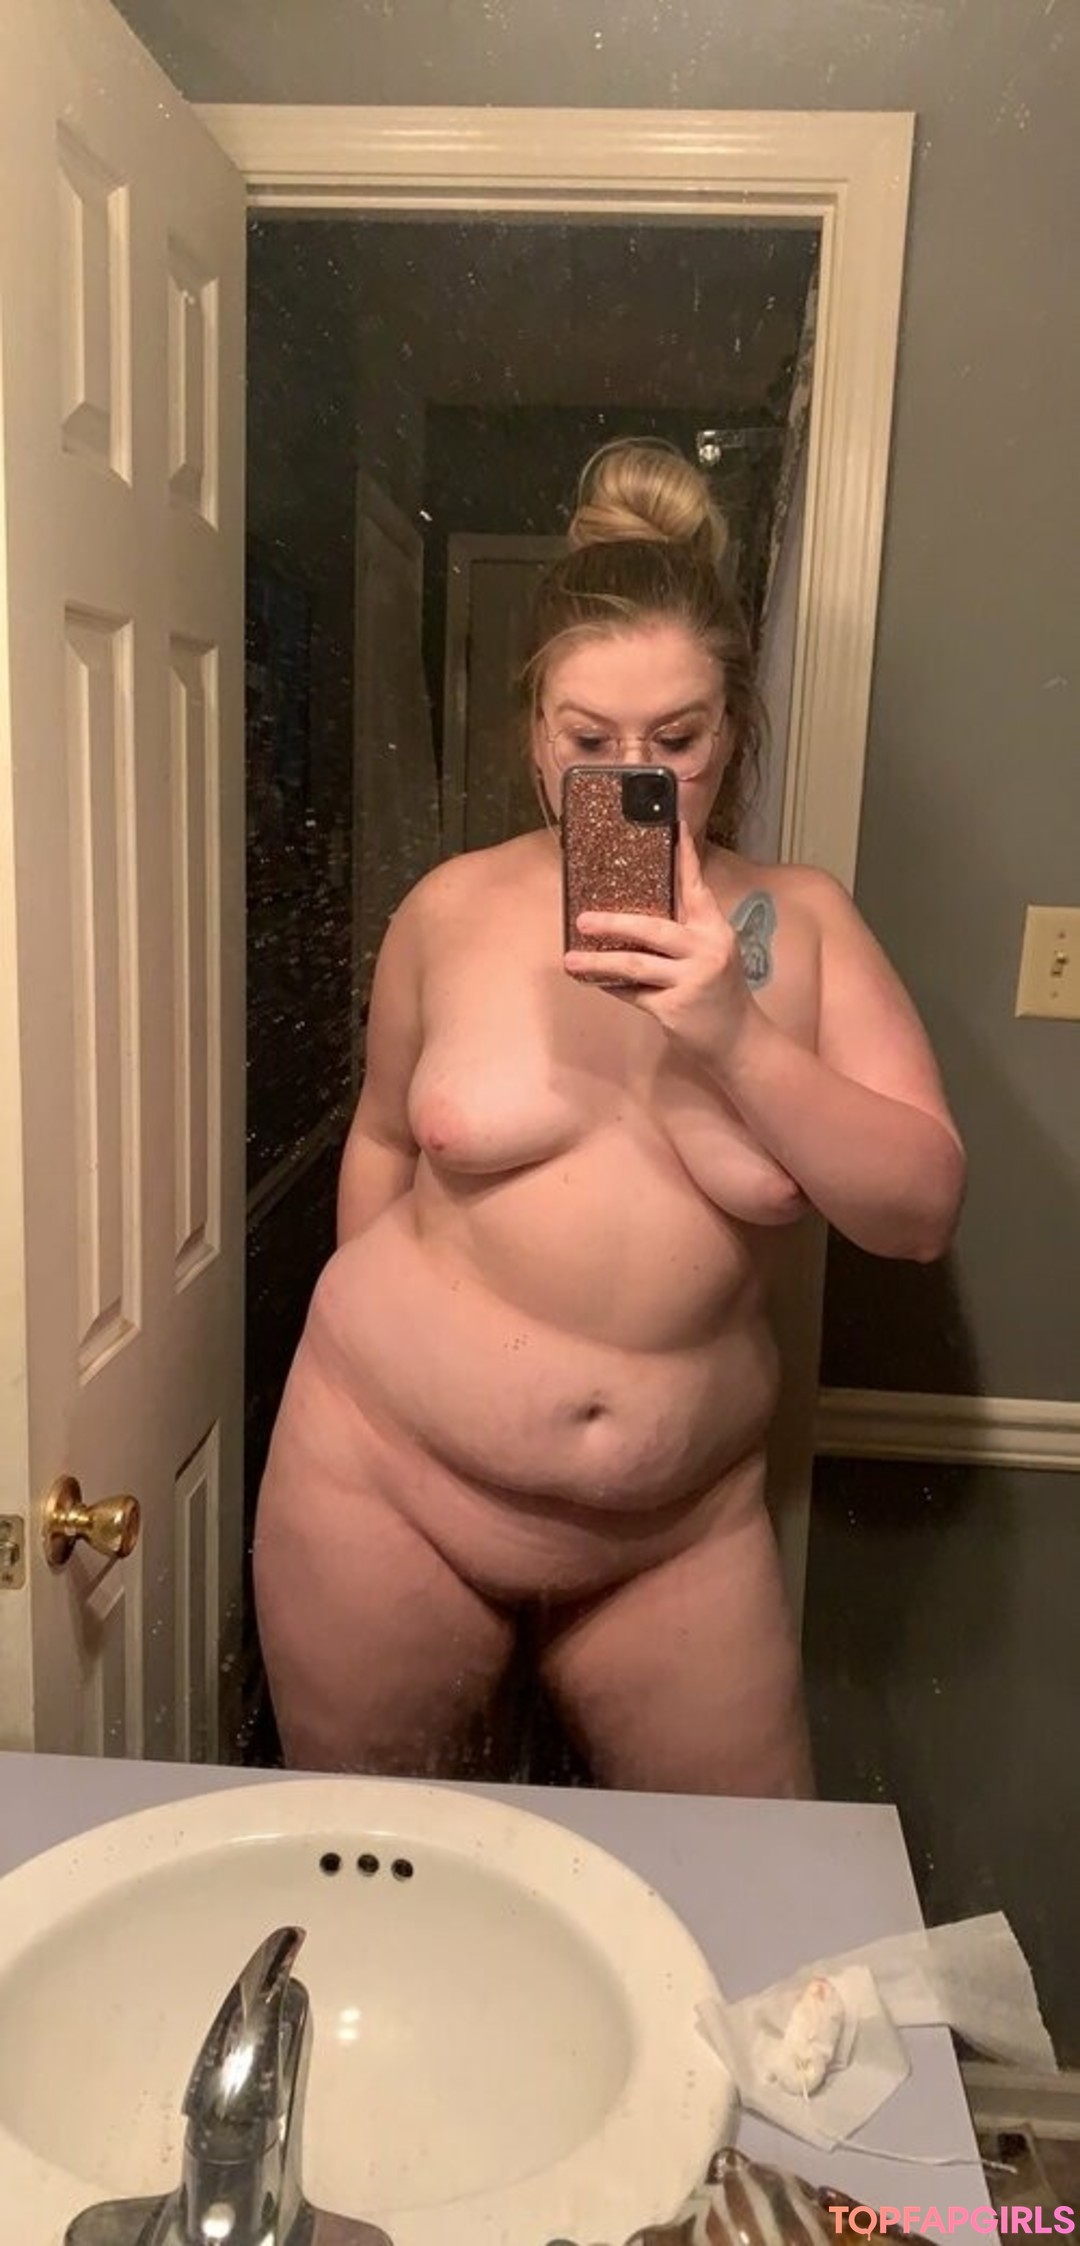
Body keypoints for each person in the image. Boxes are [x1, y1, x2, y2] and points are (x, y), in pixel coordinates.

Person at [253, 438, 965, 1795]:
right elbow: (385, 1144)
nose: (635, 774)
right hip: (384, 1481)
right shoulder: (450, 911)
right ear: (536, 731)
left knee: (740, 1886)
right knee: (387, 1868)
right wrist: (423, 1383)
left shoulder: (807, 926)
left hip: (675, 1534)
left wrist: (735, 1035)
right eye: (590, 740)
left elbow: (920, 1210)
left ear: (732, 729)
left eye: (678, 739)